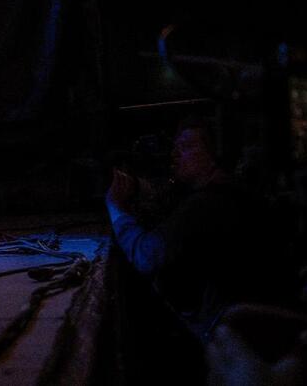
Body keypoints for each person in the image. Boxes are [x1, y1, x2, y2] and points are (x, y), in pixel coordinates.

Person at [107, 117, 285, 340]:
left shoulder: (208, 203)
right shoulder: (235, 192)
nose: (175, 154)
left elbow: (146, 256)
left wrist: (115, 208)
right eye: (176, 147)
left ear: (215, 154)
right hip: (242, 323)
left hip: (221, 334)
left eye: (186, 146)